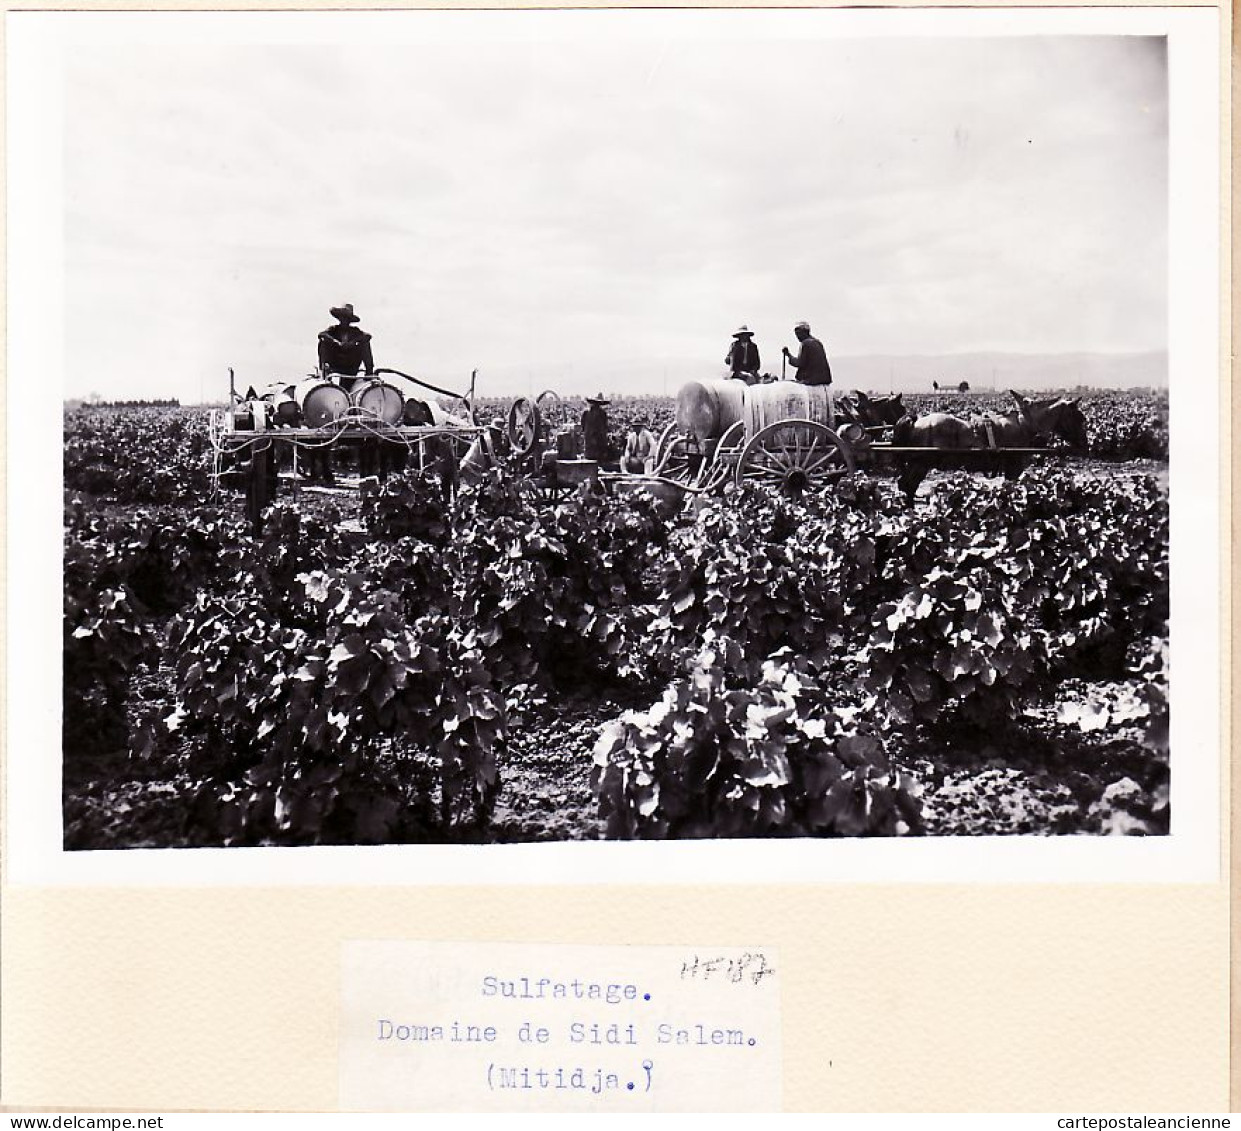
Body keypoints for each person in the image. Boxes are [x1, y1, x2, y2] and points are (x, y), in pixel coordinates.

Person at [317, 303, 375, 391]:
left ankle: (369, 372)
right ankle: (323, 372)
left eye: (347, 319)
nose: (344, 321)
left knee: (365, 343)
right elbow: (321, 334)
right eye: (342, 318)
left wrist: (352, 342)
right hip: (335, 363)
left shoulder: (355, 331)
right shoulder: (333, 329)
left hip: (350, 365)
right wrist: (336, 342)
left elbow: (367, 336)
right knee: (323, 342)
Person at [782, 321, 832, 387]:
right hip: (824, 379)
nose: (797, 337)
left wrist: (788, 355)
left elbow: (799, 363)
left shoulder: (806, 343)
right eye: (796, 334)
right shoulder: (818, 342)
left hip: (812, 380)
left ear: (804, 332)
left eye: (798, 334)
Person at [581, 393, 612, 463]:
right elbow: (583, 425)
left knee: (599, 455)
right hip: (589, 437)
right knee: (590, 455)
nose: (596, 405)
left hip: (600, 437)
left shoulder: (602, 413)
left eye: (598, 404)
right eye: (595, 403)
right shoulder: (586, 413)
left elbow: (605, 426)